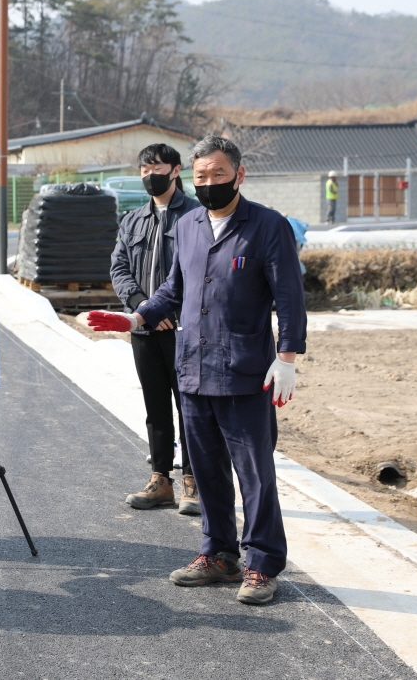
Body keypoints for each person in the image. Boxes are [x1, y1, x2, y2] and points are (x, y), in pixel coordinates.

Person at [87, 136, 306, 605]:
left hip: (246, 371)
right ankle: (219, 554)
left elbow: (289, 297)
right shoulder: (187, 225)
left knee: (255, 474)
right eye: (202, 176)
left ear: (239, 175)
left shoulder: (268, 227)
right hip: (193, 368)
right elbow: (174, 287)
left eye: (219, 175)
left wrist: (287, 358)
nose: (210, 184)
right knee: (205, 471)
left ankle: (262, 564)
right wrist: (136, 317)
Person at [110, 143, 201, 515]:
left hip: (184, 330)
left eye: (157, 168)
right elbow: (119, 269)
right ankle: (160, 479)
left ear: (176, 170)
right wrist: (141, 307)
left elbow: (200, 273)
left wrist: (166, 308)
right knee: (155, 407)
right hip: (145, 330)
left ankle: (193, 482)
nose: (150, 175)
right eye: (144, 170)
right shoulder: (132, 220)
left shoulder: (196, 215)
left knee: (191, 407)